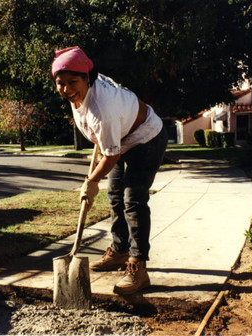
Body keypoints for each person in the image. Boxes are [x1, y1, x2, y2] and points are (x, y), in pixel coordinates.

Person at [51, 46, 168, 295]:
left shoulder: (102, 109)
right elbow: (105, 143)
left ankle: (138, 267)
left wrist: (90, 181)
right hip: (122, 138)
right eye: (60, 83)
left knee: (133, 199)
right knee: (114, 196)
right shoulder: (79, 95)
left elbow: (111, 154)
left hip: (146, 137)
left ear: (87, 79)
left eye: (73, 82)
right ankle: (119, 250)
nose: (66, 89)